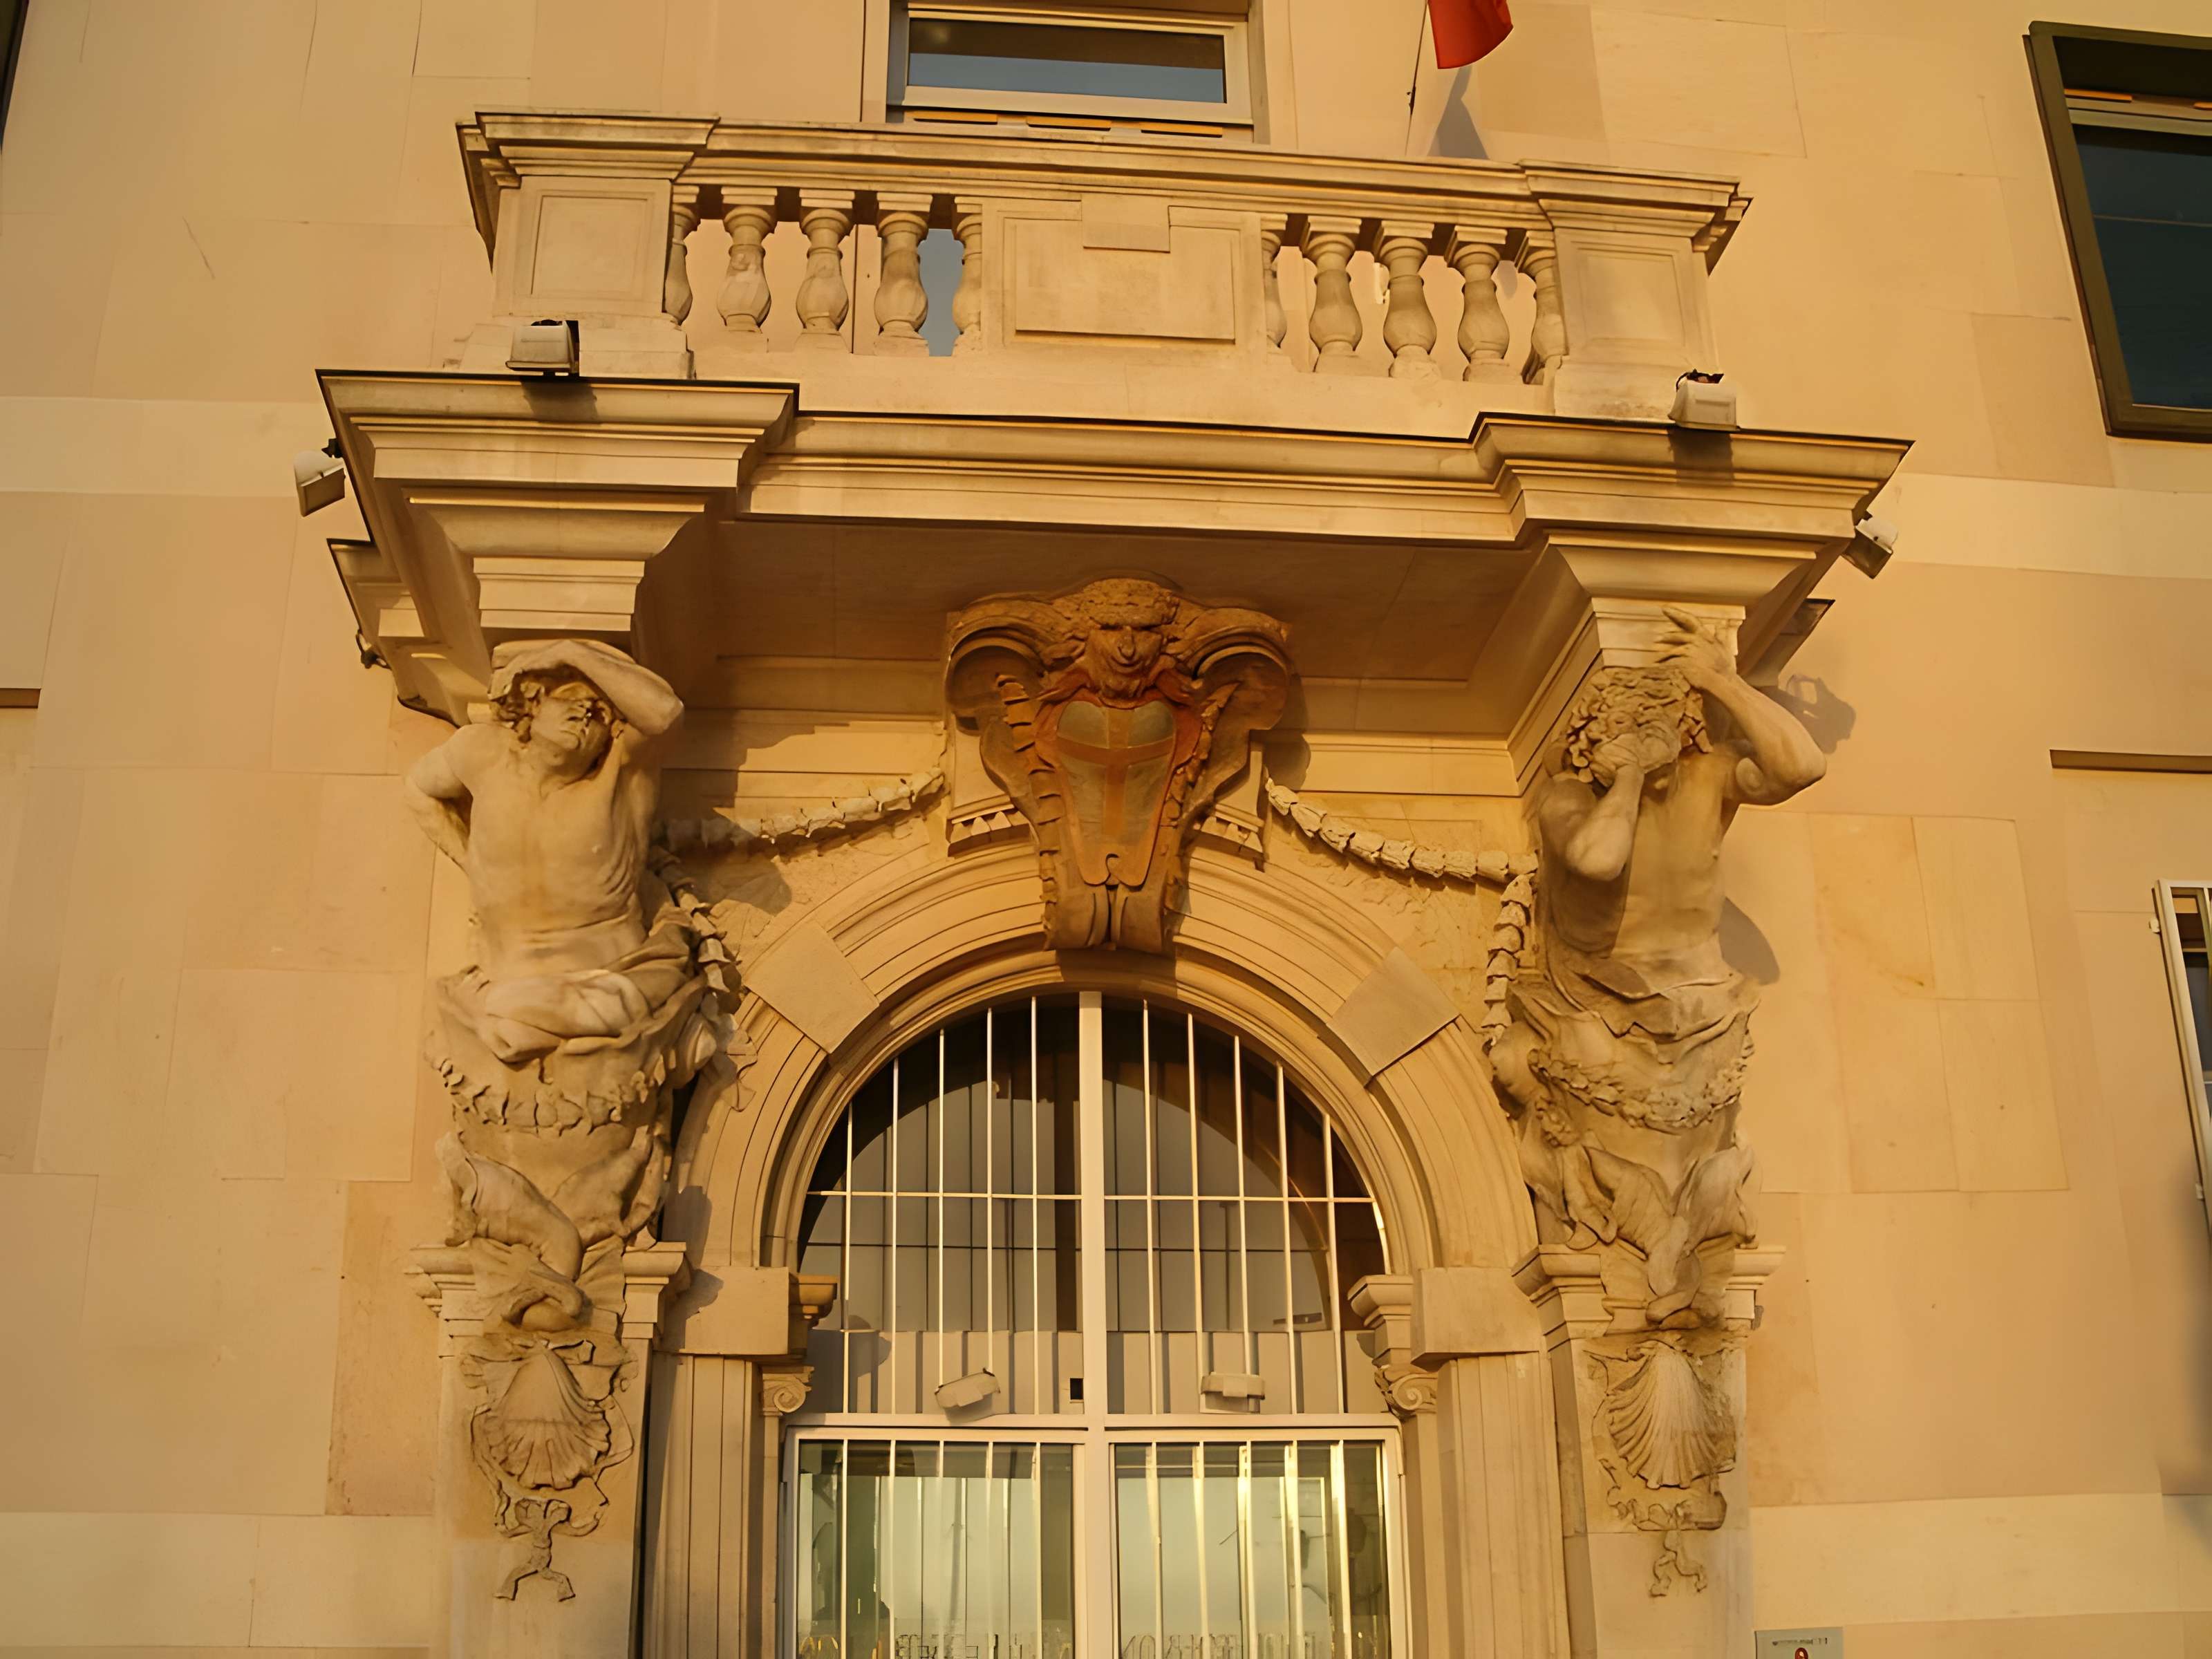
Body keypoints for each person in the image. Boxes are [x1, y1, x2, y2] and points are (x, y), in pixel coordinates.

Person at [404, 639, 686, 1062]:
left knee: (590, 1012)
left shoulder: (622, 774)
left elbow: (664, 715)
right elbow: (418, 790)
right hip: (503, 977)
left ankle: (521, 1015)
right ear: (531, 707)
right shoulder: (481, 755)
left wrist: (570, 653)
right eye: (571, 697)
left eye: (601, 712)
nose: (586, 712)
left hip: (604, 985)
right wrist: (470, 865)